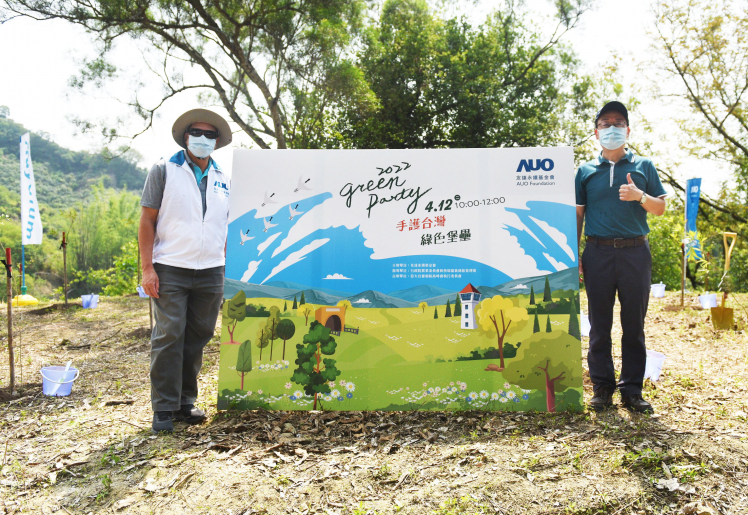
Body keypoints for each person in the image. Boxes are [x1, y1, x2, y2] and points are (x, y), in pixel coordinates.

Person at [139, 109, 232, 432]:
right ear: (185, 136)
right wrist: (148, 268)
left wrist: (227, 265)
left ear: (217, 141)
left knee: (198, 335)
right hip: (171, 268)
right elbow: (147, 219)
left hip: (211, 270)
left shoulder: (223, 178)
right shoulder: (164, 169)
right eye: (197, 132)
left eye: (210, 134)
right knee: (169, 334)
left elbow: (225, 225)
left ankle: (184, 403)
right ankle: (163, 407)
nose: (203, 139)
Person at [575, 101, 667, 413]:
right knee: (599, 325)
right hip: (597, 252)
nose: (611, 128)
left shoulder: (644, 166)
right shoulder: (585, 171)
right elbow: (578, 215)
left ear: (627, 130)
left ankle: (632, 390)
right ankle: (602, 389)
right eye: (605, 123)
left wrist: (640, 196)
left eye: (618, 122)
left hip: (635, 253)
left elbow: (660, 208)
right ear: (596, 132)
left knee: (633, 325)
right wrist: (575, 255)